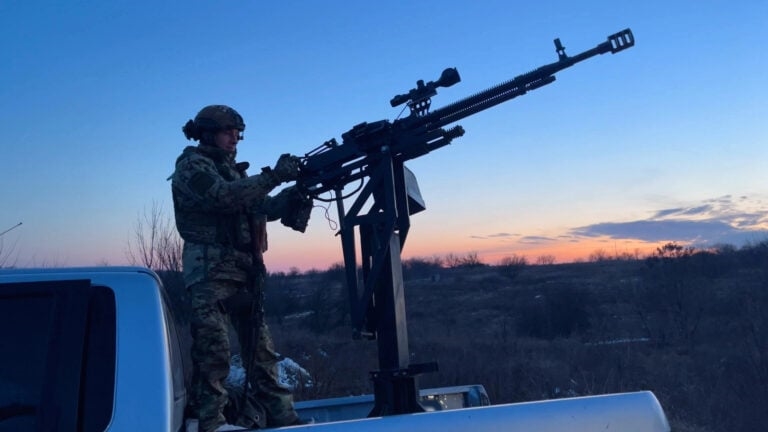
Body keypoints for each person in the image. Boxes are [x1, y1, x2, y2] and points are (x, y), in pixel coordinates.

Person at [170, 105, 310, 432]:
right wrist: (275, 176)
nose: (235, 138)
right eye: (227, 131)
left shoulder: (234, 172)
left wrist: (297, 190)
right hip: (210, 274)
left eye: (237, 133)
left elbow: (264, 207)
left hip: (244, 273)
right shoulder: (191, 167)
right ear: (207, 133)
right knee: (214, 352)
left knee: (262, 353)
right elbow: (222, 197)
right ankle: (211, 423)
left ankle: (284, 418)